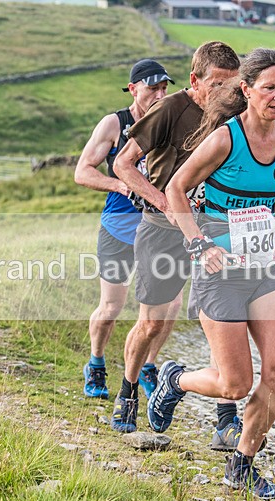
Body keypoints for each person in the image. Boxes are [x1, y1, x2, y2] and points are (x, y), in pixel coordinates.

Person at [152, 48, 275, 499]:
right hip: (218, 267)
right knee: (235, 383)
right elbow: (175, 189)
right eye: (269, 87)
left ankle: (242, 464)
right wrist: (198, 242)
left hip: (265, 264)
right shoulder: (224, 140)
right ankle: (175, 379)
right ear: (246, 90)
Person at [111, 41, 241, 435]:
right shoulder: (169, 108)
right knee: (151, 323)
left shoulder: (235, 112)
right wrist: (164, 203)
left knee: (222, 323)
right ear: (194, 80)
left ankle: (226, 419)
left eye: (232, 84)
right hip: (162, 230)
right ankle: (128, 392)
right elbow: (122, 164)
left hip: (215, 232)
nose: (225, 93)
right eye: (216, 84)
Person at [74, 59, 173, 400]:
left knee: (169, 308)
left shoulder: (172, 121)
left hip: (160, 228)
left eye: (165, 88)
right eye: (152, 88)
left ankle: (147, 365)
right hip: (120, 227)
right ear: (133, 89)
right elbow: (82, 171)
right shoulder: (115, 124)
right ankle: (96, 362)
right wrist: (119, 185)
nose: (160, 95)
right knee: (111, 307)